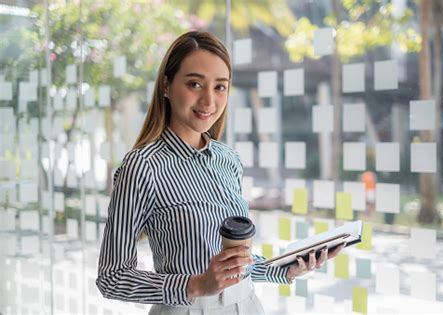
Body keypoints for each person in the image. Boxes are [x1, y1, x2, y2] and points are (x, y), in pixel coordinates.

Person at [96, 31, 344, 314]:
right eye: (194, 84)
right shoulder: (141, 167)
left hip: (247, 305)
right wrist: (195, 285)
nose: (209, 101)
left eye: (220, 87)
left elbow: (234, 264)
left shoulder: (228, 160)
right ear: (166, 86)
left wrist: (285, 269)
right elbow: (111, 277)